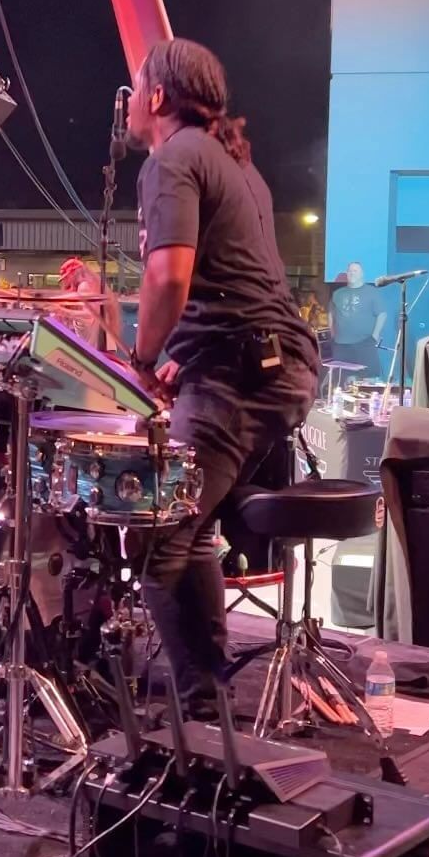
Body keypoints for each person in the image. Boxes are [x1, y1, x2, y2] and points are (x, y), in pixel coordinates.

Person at [127, 37, 319, 710]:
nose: (128, 100)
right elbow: (239, 283)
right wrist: (187, 353)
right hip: (272, 362)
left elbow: (168, 277)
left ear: (157, 97)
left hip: (243, 376)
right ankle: (205, 697)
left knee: (156, 536)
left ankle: (202, 711)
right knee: (189, 527)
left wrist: (142, 359)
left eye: (136, 87)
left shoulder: (173, 159)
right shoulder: (234, 164)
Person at [329, 262, 386, 375]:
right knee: (340, 377)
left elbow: (382, 314)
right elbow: (331, 313)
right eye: (350, 271)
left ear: (362, 274)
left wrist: (375, 335)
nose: (352, 273)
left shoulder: (372, 292)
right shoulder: (337, 294)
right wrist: (331, 333)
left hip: (364, 344)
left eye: (355, 271)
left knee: (367, 377)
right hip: (341, 344)